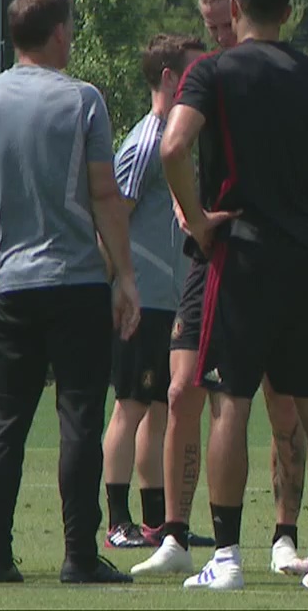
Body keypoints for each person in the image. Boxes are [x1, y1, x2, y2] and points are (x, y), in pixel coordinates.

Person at [160, 0, 308, 592]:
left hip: (241, 256)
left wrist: (196, 218)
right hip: (304, 256)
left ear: (234, 7)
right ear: (289, 11)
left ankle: (229, 556)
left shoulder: (210, 71)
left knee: (229, 405)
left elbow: (173, 147)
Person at [134, 0, 308, 578]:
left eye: (223, 25)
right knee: (182, 391)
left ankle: (285, 534)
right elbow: (177, 147)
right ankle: (176, 534)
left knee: (282, 401)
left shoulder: (284, 74)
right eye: (209, 28)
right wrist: (192, 211)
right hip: (208, 254)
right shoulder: (210, 74)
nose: (218, 37)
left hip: (265, 254)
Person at [0, 0, 138, 585]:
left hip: (11, 285)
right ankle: (78, 555)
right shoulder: (83, 100)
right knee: (81, 418)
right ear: (60, 32)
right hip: (76, 281)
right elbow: (104, 194)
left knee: (6, 422)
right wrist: (126, 277)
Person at [101, 34, 206, 551]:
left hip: (172, 296)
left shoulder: (179, 136)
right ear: (168, 78)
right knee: (130, 406)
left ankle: (157, 521)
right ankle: (116, 521)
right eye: (191, 72)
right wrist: (122, 284)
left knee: (160, 407)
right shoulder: (147, 141)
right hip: (144, 297)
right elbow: (113, 215)